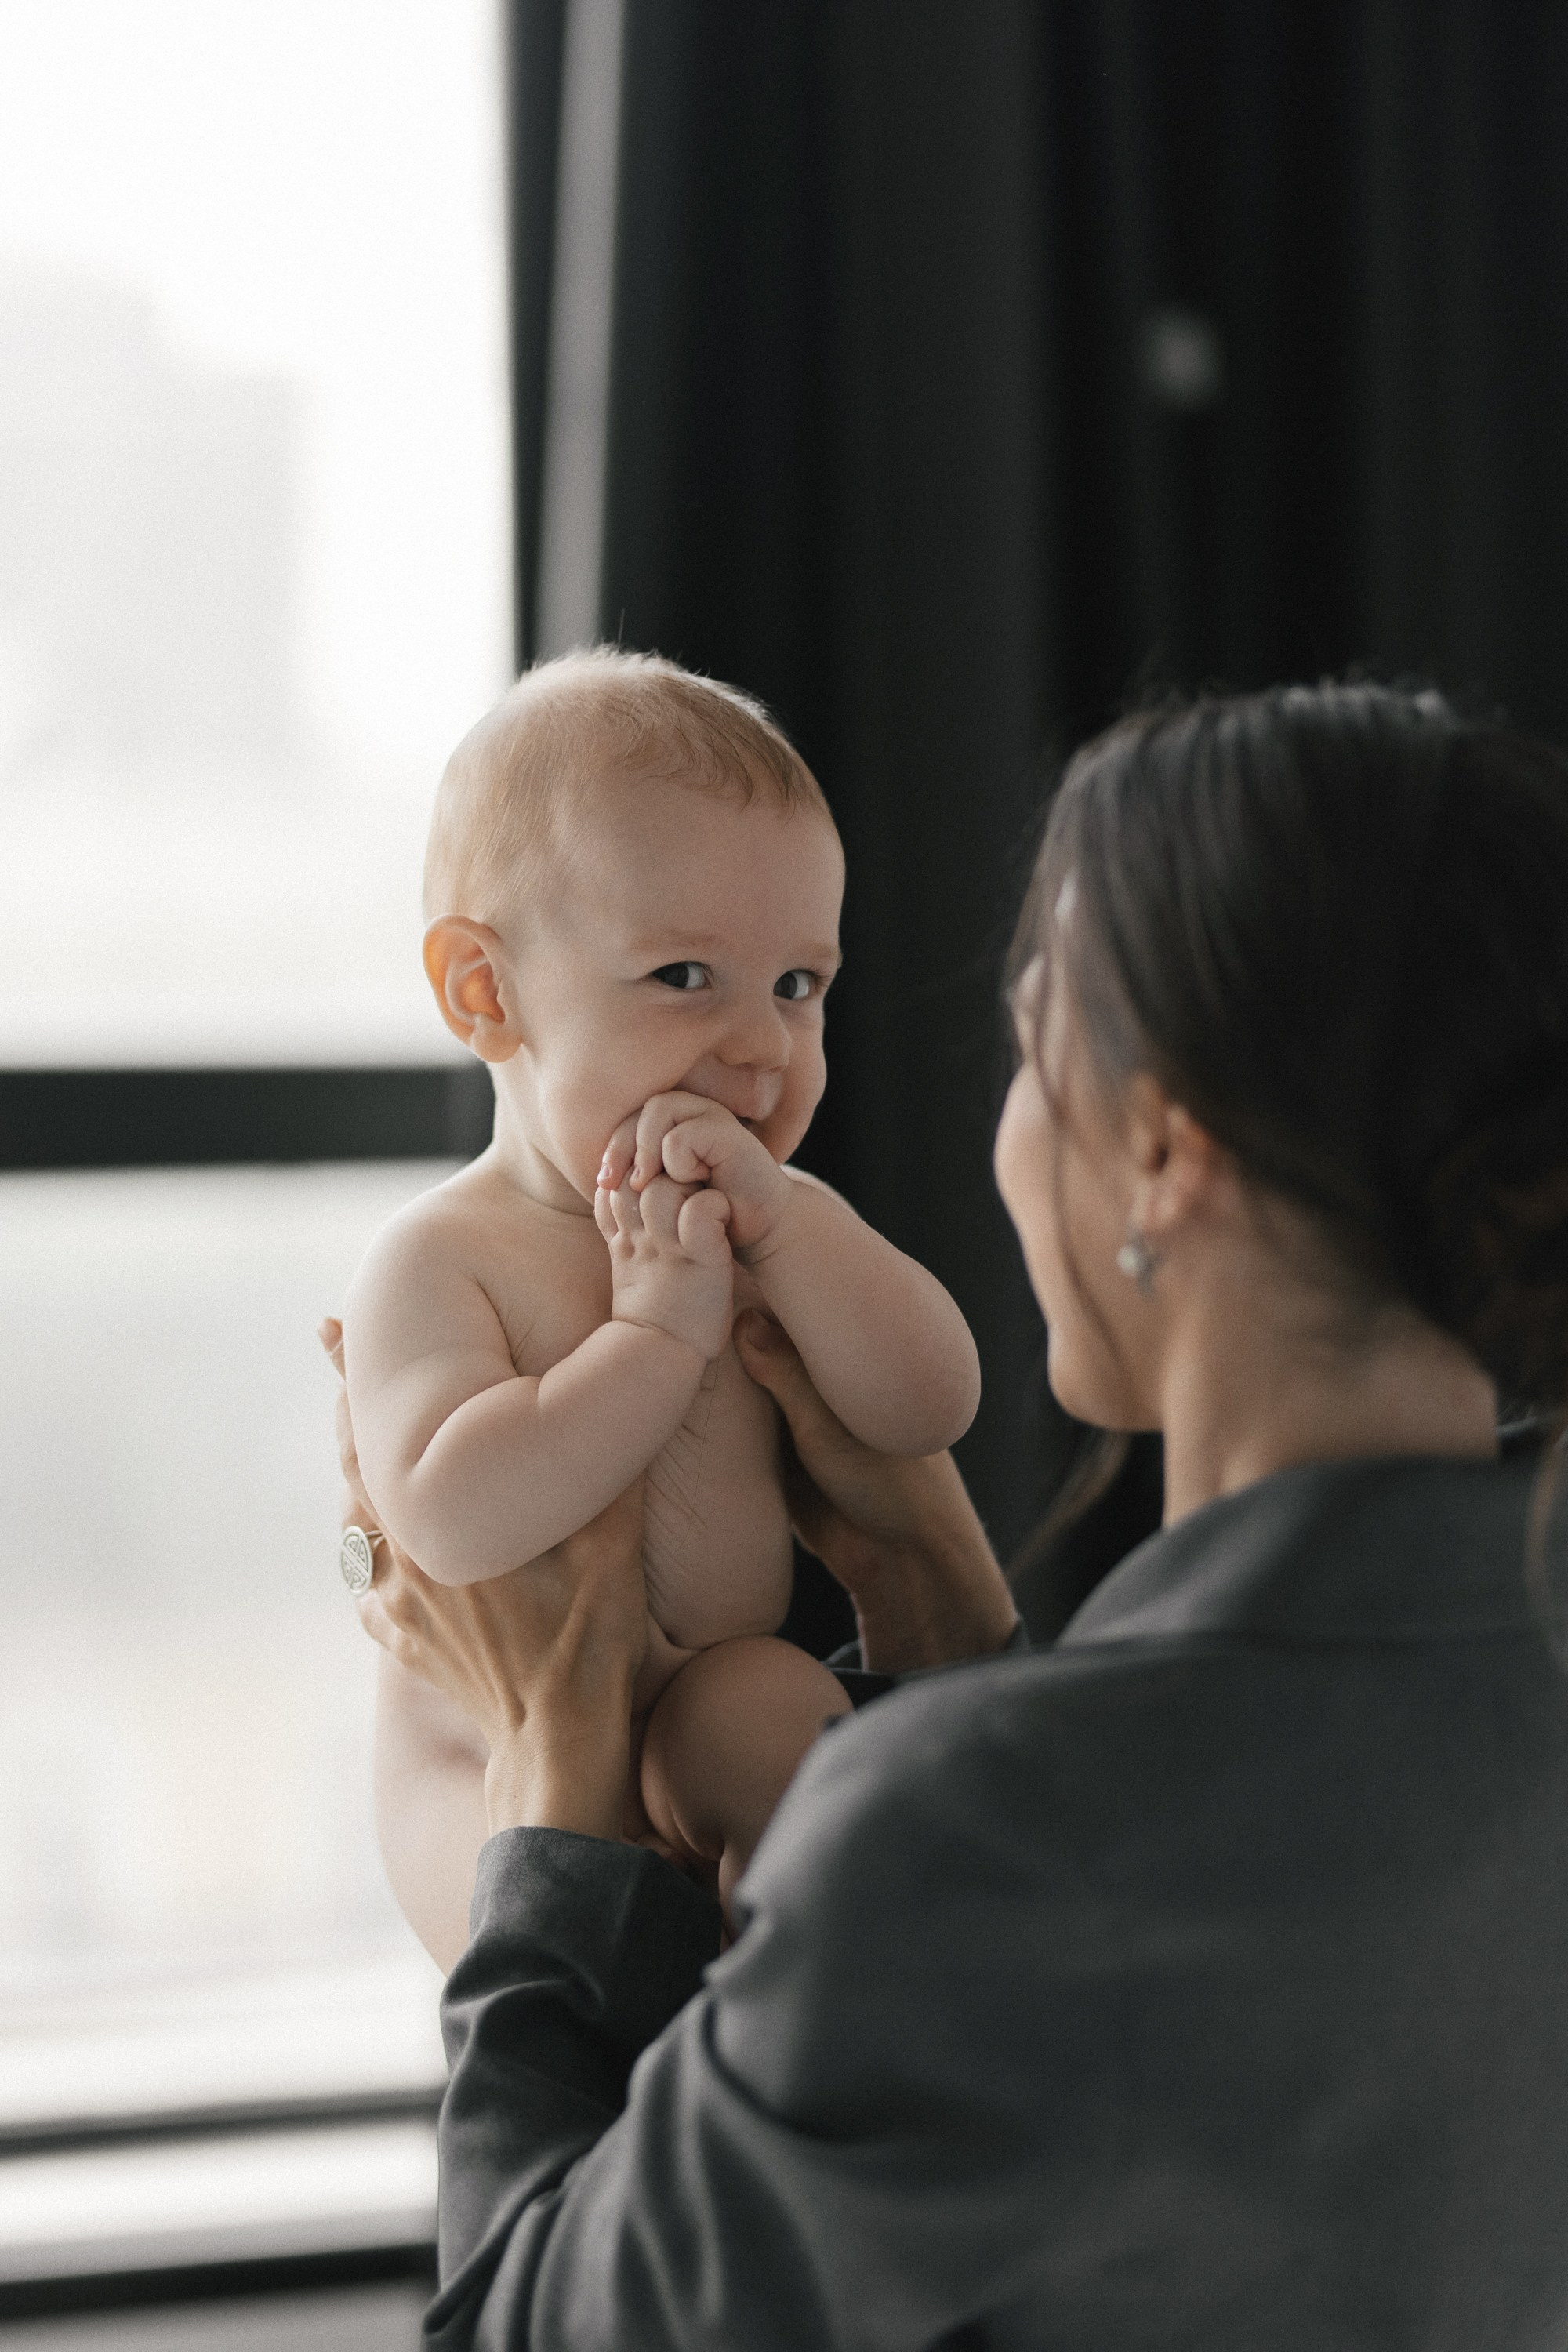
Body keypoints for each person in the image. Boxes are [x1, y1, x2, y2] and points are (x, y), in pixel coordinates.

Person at [326, 681, 1568, 2348]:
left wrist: (554, 1779)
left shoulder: (977, 1846)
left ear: (1161, 1157)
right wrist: (937, 1601)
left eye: (1029, 1042)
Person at [338, 647, 980, 1958]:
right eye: (686, 977)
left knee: (789, 1725)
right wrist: (651, 1340)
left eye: (799, 987)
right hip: (484, 1750)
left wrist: (799, 1239)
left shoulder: (776, 1222)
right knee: (528, 1912)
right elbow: (451, 1522)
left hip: (702, 1693)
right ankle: (640, 2009)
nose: (760, 1045)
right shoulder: (440, 1256)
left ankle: (782, 2003)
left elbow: (929, 1403)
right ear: (485, 992)